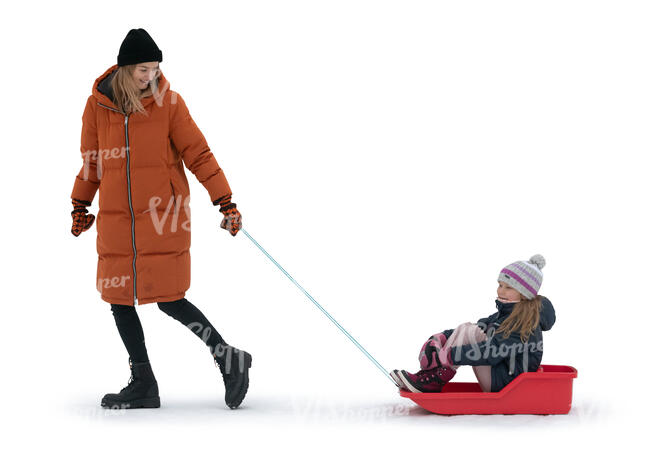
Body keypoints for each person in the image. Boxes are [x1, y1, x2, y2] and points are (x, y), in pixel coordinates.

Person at [70, 28, 251, 409]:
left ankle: (227, 356)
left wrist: (225, 201)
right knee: (119, 299)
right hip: (118, 221)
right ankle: (144, 382)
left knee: (169, 297)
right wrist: (80, 205)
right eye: (142, 70)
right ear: (124, 69)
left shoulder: (169, 104)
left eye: (154, 69)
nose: (149, 76)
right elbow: (92, 162)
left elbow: (198, 153)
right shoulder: (96, 107)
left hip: (162, 217)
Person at [391, 254, 556, 393]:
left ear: (525, 294)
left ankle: (433, 379)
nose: (500, 291)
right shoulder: (508, 314)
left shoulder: (523, 324)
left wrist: (449, 355)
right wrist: (444, 337)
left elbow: (491, 353)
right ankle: (432, 376)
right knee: (471, 329)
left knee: (471, 334)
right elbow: (480, 326)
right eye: (500, 285)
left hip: (508, 385)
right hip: (501, 376)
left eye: (509, 287)